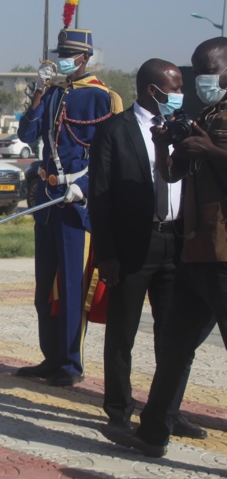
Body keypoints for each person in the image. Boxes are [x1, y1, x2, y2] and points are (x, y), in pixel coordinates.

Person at [101, 36, 227, 457]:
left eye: (205, 70)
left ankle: (157, 426)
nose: (198, 81)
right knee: (173, 344)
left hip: (220, 254)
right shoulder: (205, 116)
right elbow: (173, 176)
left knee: (177, 344)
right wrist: (163, 145)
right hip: (194, 251)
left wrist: (212, 151)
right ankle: (153, 431)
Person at [90, 58, 204, 439]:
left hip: (176, 242)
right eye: (174, 89)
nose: (180, 95)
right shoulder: (114, 130)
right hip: (132, 245)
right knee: (122, 333)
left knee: (174, 337)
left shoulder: (184, 126)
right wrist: (106, 254)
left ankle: (165, 411)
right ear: (152, 90)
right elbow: (101, 195)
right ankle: (119, 409)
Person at [16, 26, 115, 386]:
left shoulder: (101, 97)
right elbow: (26, 135)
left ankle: (71, 365)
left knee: (72, 287)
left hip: (75, 203)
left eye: (68, 54)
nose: (62, 59)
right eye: (59, 53)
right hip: (47, 201)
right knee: (45, 287)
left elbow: (108, 157)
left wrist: (84, 187)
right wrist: (39, 92)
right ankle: (51, 356)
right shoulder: (54, 94)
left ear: (84, 58)